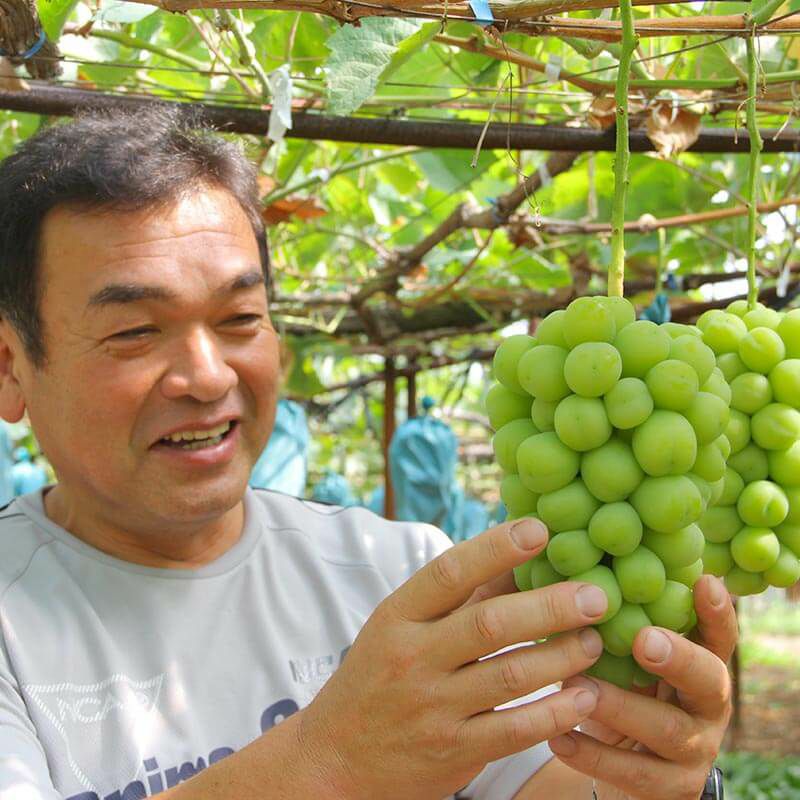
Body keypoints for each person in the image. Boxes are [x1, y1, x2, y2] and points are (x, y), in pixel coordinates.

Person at [0, 106, 736, 800]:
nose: (209, 376)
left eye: (239, 318)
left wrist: (647, 772)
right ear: (10, 369)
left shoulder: (410, 575)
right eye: (133, 331)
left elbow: (551, 783)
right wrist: (331, 760)